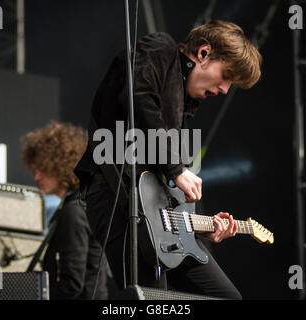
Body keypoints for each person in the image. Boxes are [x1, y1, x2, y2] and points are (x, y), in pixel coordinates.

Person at [75, 20, 262, 299]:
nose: (224, 89)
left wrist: (198, 227)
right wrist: (177, 170)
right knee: (149, 300)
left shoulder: (185, 104)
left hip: (155, 215)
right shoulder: (160, 48)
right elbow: (138, 98)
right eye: (225, 76)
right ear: (203, 53)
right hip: (116, 197)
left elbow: (160, 185)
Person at [21, 121, 108, 300]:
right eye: (35, 170)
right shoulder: (79, 207)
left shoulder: (74, 212)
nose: (37, 177)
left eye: (43, 170)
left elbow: (72, 285)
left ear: (62, 167)